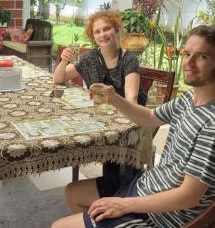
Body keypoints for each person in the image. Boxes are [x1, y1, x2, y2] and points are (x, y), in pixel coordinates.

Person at [49, 25, 215, 228]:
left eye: (202, 56)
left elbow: (189, 196)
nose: (189, 62)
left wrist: (125, 205)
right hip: (149, 185)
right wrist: (114, 98)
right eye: (187, 54)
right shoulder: (191, 99)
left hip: (165, 217)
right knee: (73, 193)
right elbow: (149, 117)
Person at [53, 10, 146, 175]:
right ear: (93, 36)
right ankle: (111, 187)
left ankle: (121, 186)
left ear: (116, 30)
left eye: (107, 29)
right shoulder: (89, 58)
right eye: (97, 31)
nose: (103, 34)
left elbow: (131, 100)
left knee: (114, 163)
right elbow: (59, 79)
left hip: (124, 118)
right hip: (100, 117)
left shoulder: (129, 60)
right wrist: (64, 60)